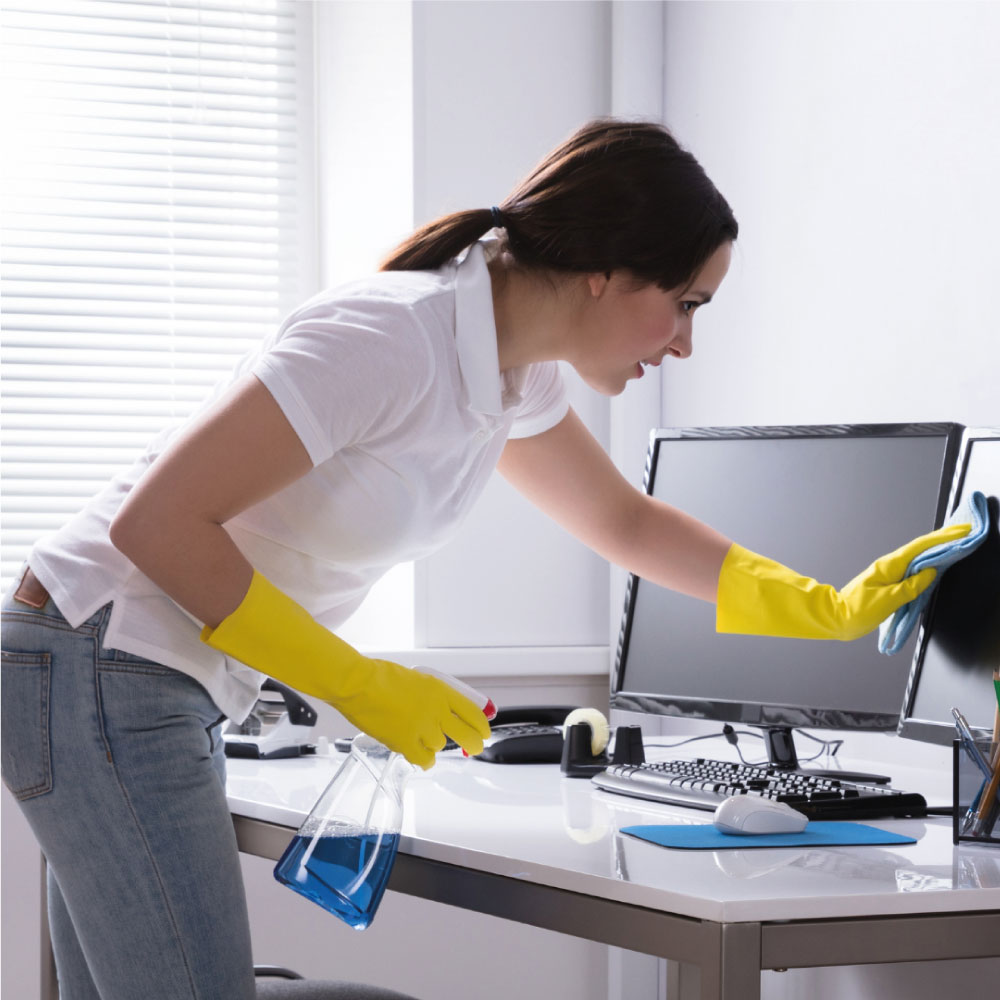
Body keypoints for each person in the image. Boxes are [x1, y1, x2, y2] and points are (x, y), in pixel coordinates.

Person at [1, 118, 967, 1000]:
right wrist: (355, 682)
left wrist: (819, 605)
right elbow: (157, 525)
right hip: (100, 660)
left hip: (129, 674)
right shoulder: (391, 337)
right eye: (683, 304)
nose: (682, 342)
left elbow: (623, 524)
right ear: (606, 269)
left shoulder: (511, 374)